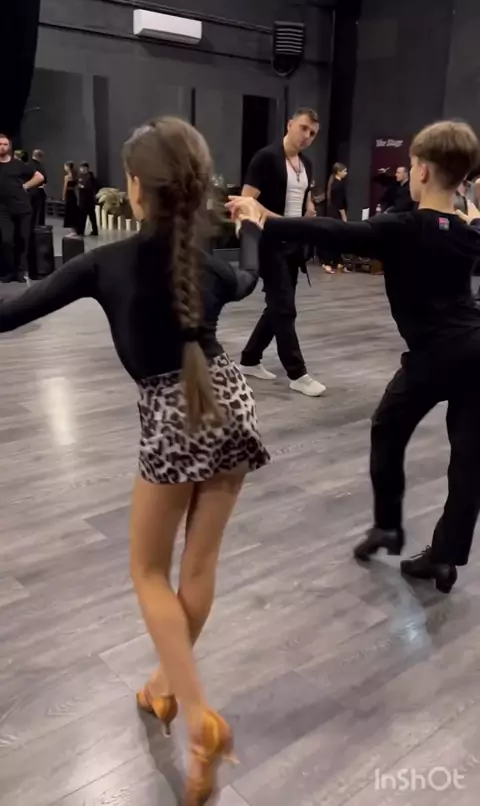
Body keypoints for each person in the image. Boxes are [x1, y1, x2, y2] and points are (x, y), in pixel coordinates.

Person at [0, 117, 269, 804]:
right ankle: (161, 686)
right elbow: (247, 279)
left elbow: (12, 313)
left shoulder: (104, 263)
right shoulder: (206, 263)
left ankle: (200, 718)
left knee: (149, 572)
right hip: (232, 401)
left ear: (135, 189)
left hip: (173, 418)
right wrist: (252, 225)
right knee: (199, 567)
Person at [228, 120, 480, 594]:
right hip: (475, 352)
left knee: (387, 428)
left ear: (422, 172)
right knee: (469, 462)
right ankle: (445, 558)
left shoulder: (404, 227)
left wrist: (265, 219)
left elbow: (334, 231)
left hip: (433, 357)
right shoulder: (468, 233)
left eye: (411, 166)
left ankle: (388, 526)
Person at [239, 107, 326, 397]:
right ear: (289, 125)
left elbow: (305, 199)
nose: (307, 136)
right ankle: (297, 374)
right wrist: (278, 222)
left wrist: (309, 211)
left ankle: (250, 359)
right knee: (285, 308)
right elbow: (246, 201)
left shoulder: (307, 164)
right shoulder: (266, 158)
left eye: (313, 133)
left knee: (276, 306)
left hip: (294, 245)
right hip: (269, 242)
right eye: (304, 128)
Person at [0, 133, 45, 283]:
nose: (2, 147)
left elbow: (39, 177)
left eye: (5, 144)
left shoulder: (18, 164)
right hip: (3, 209)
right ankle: (10, 271)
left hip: (22, 208)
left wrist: (25, 186)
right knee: (7, 240)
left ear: (9, 147)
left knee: (22, 239)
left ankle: (20, 272)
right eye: (0, 144)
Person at [323, 162, 348, 273]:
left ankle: (339, 262)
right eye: (344, 171)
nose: (346, 173)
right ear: (338, 172)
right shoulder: (338, 185)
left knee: (336, 238)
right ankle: (327, 263)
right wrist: (344, 216)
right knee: (333, 238)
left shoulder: (334, 184)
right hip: (336, 214)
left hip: (332, 213)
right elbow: (339, 203)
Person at [77, 162, 99, 236]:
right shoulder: (81, 176)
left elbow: (91, 187)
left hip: (88, 200)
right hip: (82, 199)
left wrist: (83, 187)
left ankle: (93, 231)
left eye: (82, 168)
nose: (81, 169)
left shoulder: (90, 177)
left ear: (86, 168)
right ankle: (81, 231)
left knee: (90, 216)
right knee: (83, 216)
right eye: (80, 168)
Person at [31, 149, 47, 227]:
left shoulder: (28, 164)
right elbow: (44, 178)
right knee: (39, 210)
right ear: (39, 157)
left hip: (29, 190)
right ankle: (39, 226)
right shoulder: (39, 166)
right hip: (38, 190)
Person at [63, 161, 79, 232]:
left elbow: (65, 188)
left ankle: (73, 230)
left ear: (68, 167)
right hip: (73, 195)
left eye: (65, 166)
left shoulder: (67, 177)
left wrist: (63, 196)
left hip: (69, 195)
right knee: (74, 212)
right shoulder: (75, 176)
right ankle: (75, 229)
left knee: (70, 212)